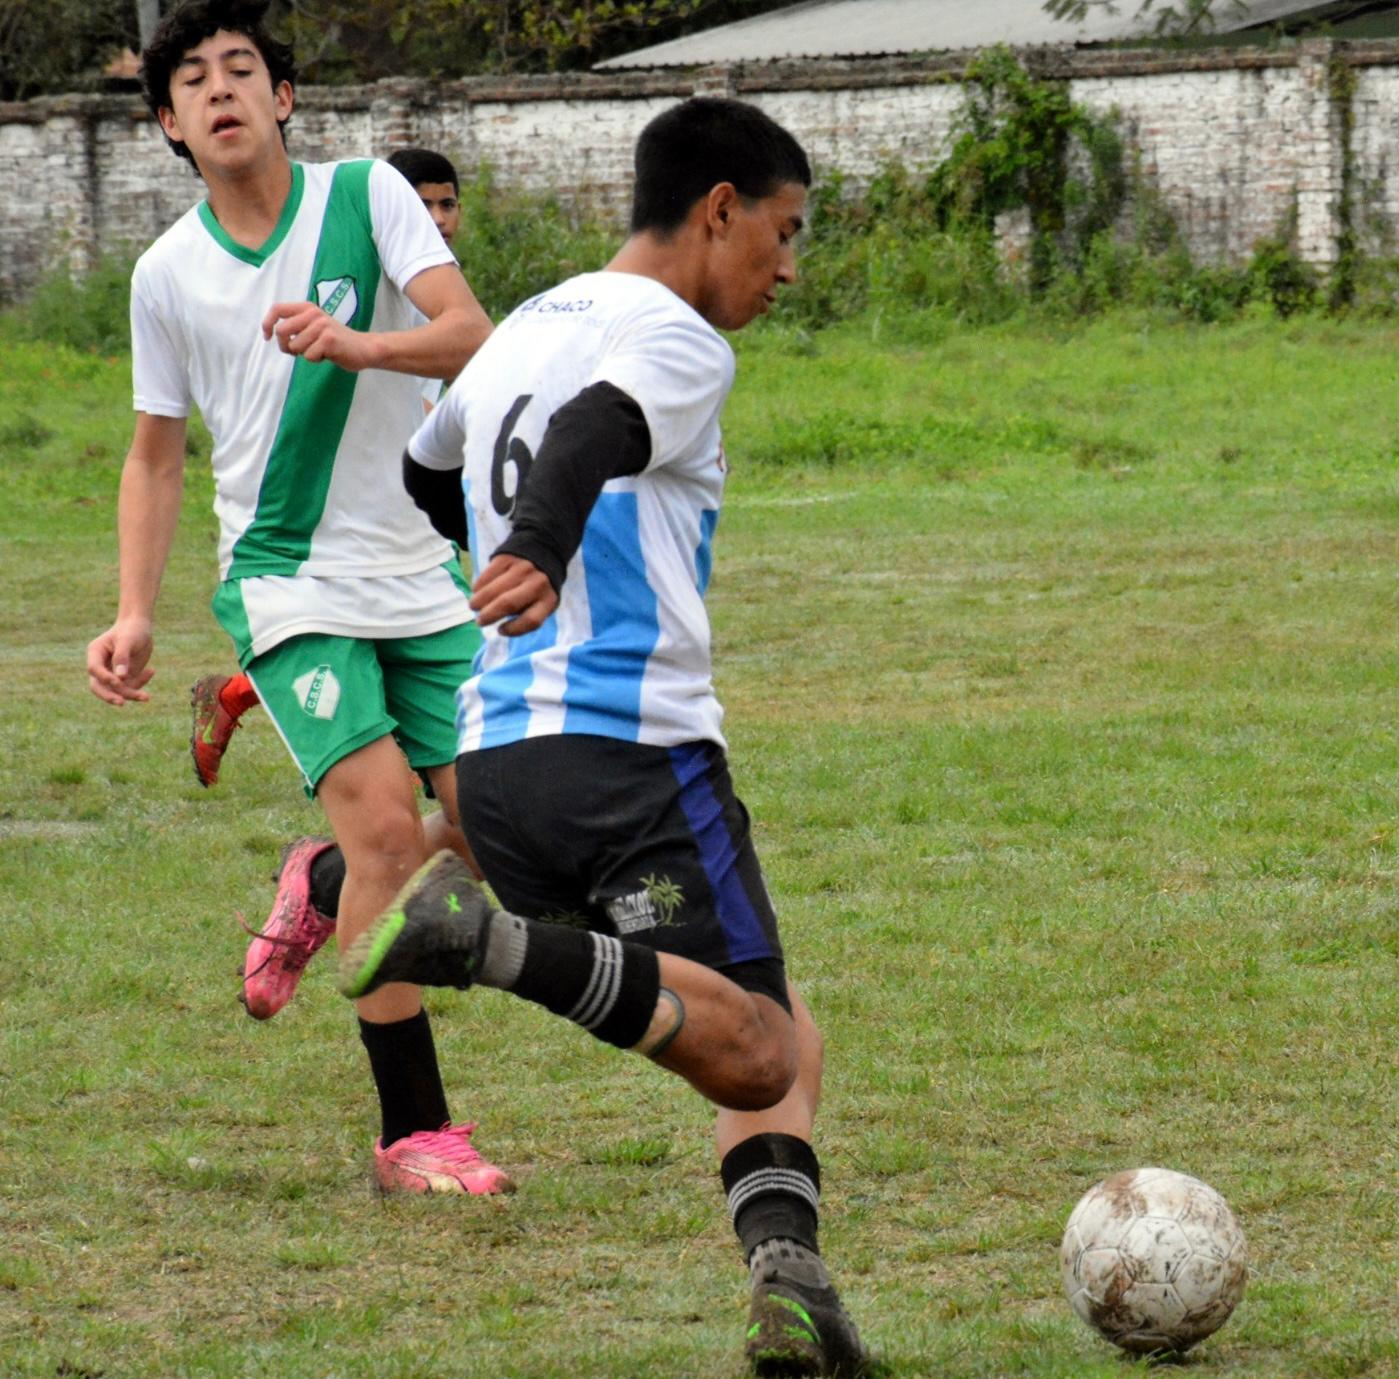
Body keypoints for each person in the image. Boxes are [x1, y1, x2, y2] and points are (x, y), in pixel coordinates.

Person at [337, 96, 868, 1377]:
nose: (790, 266)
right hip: (628, 760)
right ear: (720, 210)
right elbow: (594, 430)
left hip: (499, 769)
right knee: (760, 1050)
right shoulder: (675, 335)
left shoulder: (521, 326)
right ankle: (493, 944)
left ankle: (791, 1288)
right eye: (786, 230)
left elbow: (426, 467)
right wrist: (535, 546)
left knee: (773, 1019)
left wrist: (504, 555)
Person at [85, 0, 511, 1196]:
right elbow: (156, 454)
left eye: (241, 69)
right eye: (192, 80)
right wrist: (134, 610)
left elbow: (471, 334)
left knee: (507, 836)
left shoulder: (369, 196)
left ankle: (320, 884)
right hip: (283, 581)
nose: (219, 89)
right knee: (388, 836)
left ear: (283, 98)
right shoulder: (166, 274)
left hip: (421, 574)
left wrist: (359, 344)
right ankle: (413, 1133)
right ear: (168, 125)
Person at [190, 144, 467, 790]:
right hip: (322, 549)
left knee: (485, 802)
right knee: (386, 786)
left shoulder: (442, 297)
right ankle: (235, 699)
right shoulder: (350, 269)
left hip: (410, 533)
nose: (436, 217)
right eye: (422, 204)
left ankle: (335, 843)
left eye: (447, 203)